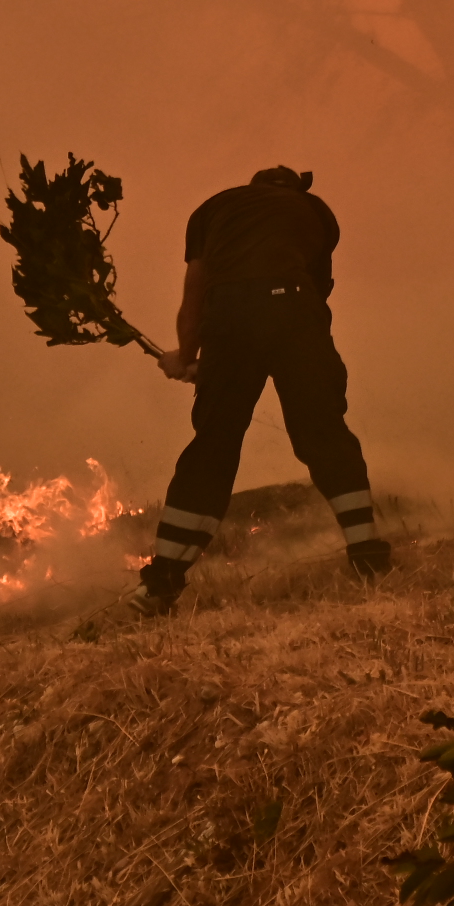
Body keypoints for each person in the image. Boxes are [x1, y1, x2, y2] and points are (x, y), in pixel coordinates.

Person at [133, 166, 387, 615]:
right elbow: (317, 290)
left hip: (228, 315)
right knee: (322, 431)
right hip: (294, 306)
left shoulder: (211, 208)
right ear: (291, 189)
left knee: (213, 444)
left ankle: (162, 582)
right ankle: (368, 557)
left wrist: (189, 354)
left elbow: (197, 287)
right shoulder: (315, 210)